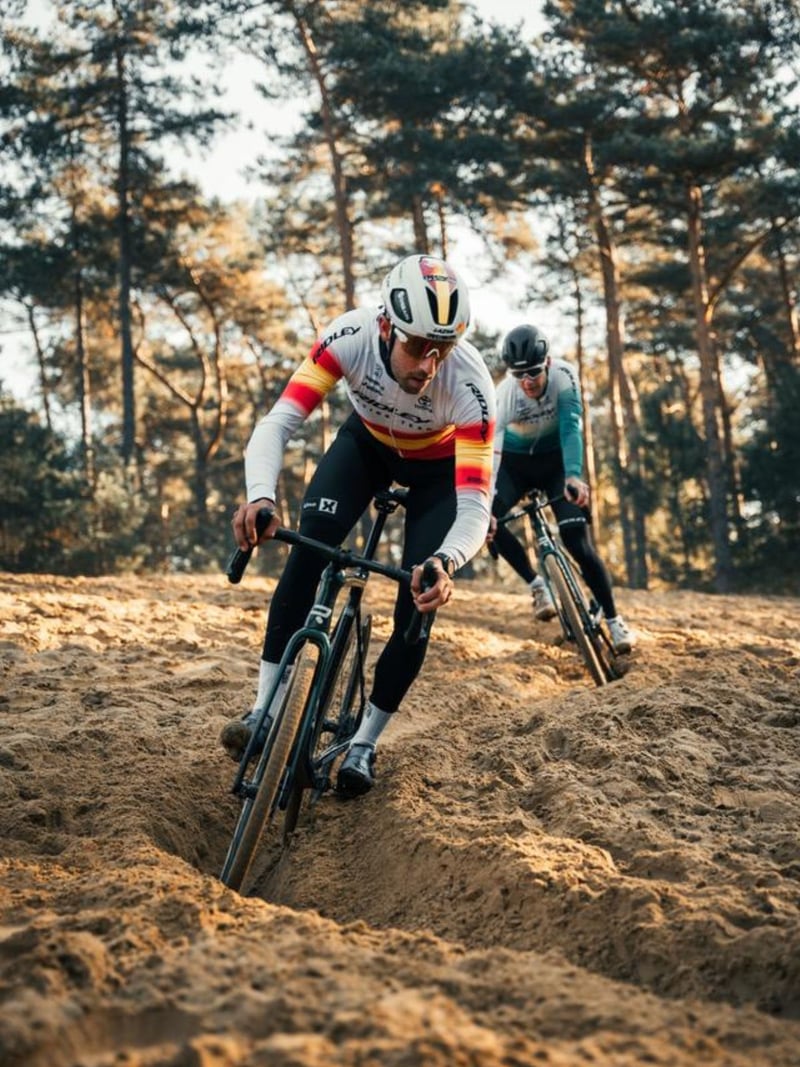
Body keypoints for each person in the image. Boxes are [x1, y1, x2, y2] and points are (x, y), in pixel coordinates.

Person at [221, 254, 496, 796]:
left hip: (438, 475)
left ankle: (365, 742)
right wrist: (259, 497)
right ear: (386, 327)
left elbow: (473, 505)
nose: (429, 365)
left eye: (442, 350)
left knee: (417, 603)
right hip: (366, 447)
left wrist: (445, 561)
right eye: (418, 345)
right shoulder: (349, 337)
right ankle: (263, 710)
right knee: (309, 550)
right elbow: (279, 423)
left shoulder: (470, 385)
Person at [489, 323, 635, 654]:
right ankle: (536, 584)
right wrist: (484, 501)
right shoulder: (505, 395)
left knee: (575, 539)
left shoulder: (564, 377)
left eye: (533, 372)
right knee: (486, 519)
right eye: (519, 374)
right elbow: (492, 451)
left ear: (548, 363)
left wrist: (573, 476)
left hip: (555, 464)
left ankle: (614, 619)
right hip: (514, 467)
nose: (527, 381)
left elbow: (571, 428)